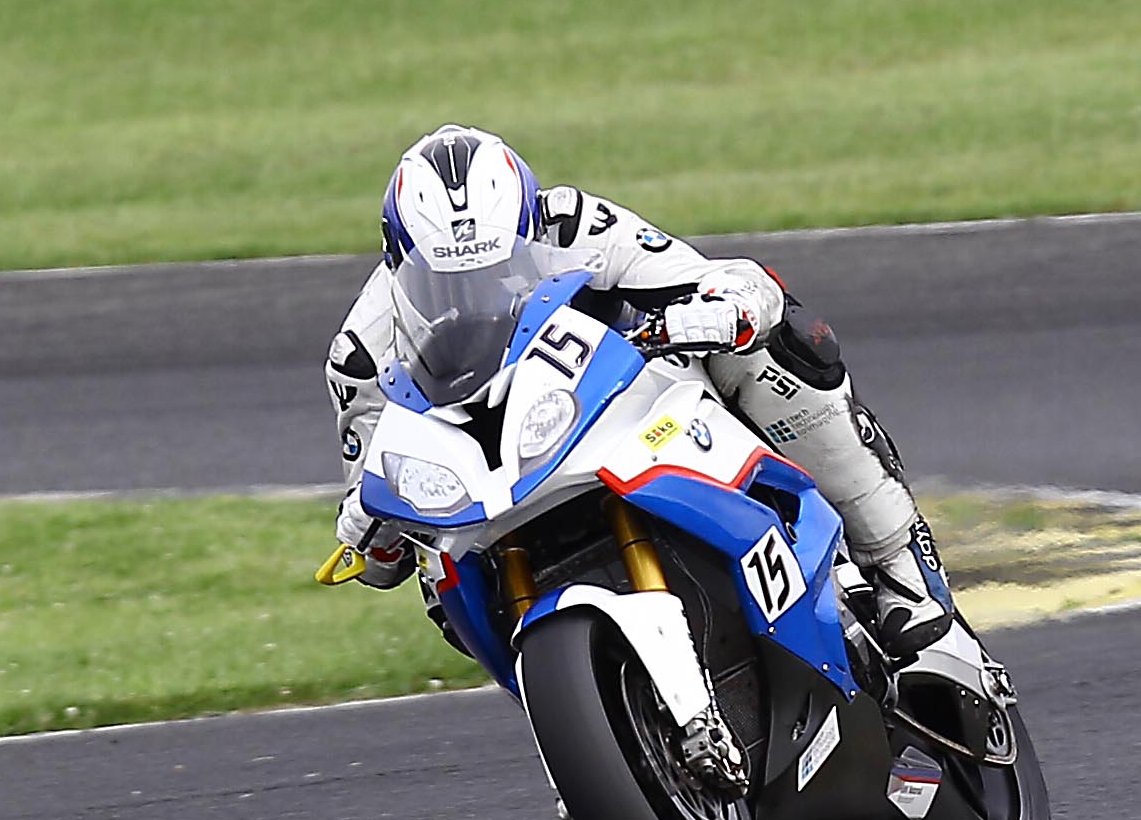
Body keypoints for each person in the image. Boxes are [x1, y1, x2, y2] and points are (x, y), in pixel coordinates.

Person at [323, 126, 960, 648]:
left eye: (498, 264)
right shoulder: (360, 354)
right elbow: (375, 534)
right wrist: (370, 528)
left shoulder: (574, 225)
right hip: (485, 479)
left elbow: (705, 278)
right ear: (398, 261)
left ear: (530, 227)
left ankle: (894, 557)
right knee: (439, 578)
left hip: (609, 413)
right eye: (447, 279)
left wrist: (728, 306)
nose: (473, 292)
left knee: (771, 347)